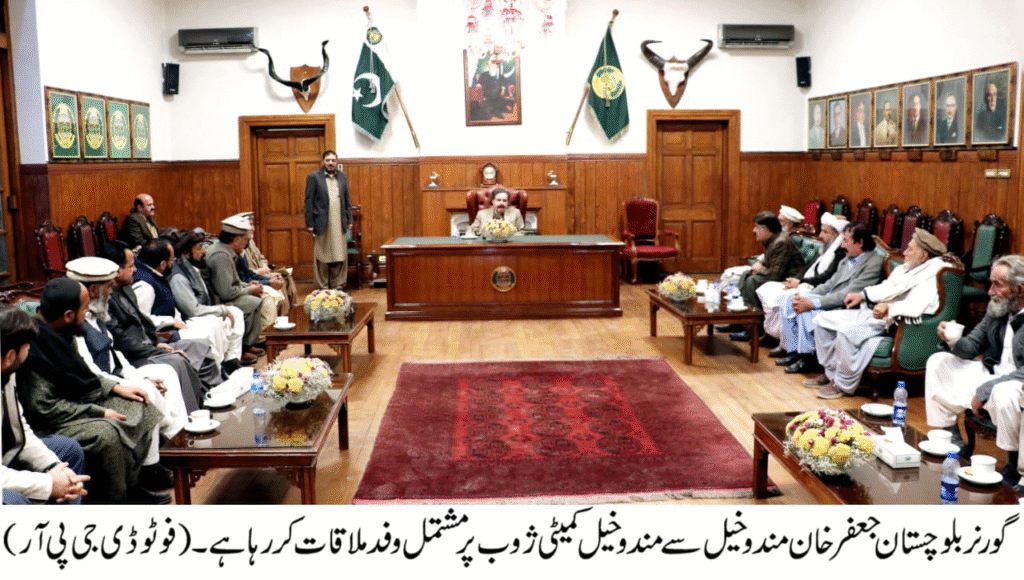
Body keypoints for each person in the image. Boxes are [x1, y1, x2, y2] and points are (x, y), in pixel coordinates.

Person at [17, 278, 168, 504]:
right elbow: (44, 408)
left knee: (142, 405)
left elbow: (82, 373)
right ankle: (117, 500)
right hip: (51, 421)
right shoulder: (34, 345)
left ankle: (134, 485)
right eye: (85, 308)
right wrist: (99, 412)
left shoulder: (61, 330)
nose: (87, 313)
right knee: (107, 434)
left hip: (79, 402)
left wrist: (116, 387)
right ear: (68, 315)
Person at [65, 256, 188, 491]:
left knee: (166, 373)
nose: (112, 291)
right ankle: (151, 467)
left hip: (118, 375)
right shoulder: (76, 324)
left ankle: (173, 446)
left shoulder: (97, 314)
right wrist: (130, 384)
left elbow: (115, 354)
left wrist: (139, 377)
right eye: (108, 286)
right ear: (93, 290)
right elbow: (91, 370)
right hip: (101, 389)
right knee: (147, 391)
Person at [806, 229, 948, 399]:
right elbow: (886, 287)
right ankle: (831, 373)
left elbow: (916, 305)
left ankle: (842, 384)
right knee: (821, 319)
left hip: (892, 321)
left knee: (846, 331)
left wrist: (889, 308)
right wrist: (862, 295)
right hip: (875, 312)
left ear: (924, 256)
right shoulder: (907, 268)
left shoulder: (932, 275)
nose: (904, 252)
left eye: (910, 249)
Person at [924, 254, 1024, 486]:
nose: (990, 291)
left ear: (1019, 289)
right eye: (991, 283)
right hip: (993, 374)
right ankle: (952, 440)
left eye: (997, 285)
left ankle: (1013, 465)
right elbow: (971, 347)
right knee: (938, 362)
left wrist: (986, 389)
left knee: (1003, 392)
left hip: (1016, 385)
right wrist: (952, 340)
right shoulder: (998, 308)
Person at [102, 240, 223, 409]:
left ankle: (213, 397)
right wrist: (158, 349)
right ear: (116, 270)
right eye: (131, 266)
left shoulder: (126, 288)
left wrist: (158, 342)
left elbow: (144, 324)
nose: (135, 270)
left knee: (201, 346)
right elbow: (122, 342)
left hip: (151, 345)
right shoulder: (106, 301)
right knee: (178, 361)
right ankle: (193, 413)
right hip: (136, 356)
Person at [2, 305, 90, 505]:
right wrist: (49, 484)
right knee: (12, 500)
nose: (29, 351)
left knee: (68, 450)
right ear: (10, 356)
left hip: (7, 457)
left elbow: (20, 428)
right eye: (27, 347)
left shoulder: (6, 370)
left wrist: (55, 469)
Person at [771, 223, 884, 374]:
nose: (842, 245)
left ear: (860, 243)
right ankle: (793, 350)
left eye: (846, 241)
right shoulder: (847, 259)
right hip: (830, 299)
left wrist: (812, 303)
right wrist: (805, 297)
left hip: (845, 306)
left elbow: (847, 293)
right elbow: (830, 284)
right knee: (791, 299)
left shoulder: (873, 262)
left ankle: (808, 359)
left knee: (806, 310)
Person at [133, 238, 246, 373]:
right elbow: (140, 320)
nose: (173, 263)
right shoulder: (145, 286)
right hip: (162, 334)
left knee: (214, 323)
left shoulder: (154, 274)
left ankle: (227, 363)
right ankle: (217, 372)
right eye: (171, 260)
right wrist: (171, 321)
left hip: (175, 324)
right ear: (162, 264)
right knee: (209, 333)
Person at [168, 231, 255, 366]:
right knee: (214, 322)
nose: (204, 251)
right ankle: (218, 367)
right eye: (199, 248)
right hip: (188, 321)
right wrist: (221, 310)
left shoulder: (193, 268)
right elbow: (193, 311)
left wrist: (222, 310)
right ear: (186, 253)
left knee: (236, 313)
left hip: (201, 314)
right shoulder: (179, 278)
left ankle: (232, 360)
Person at [759, 212, 849, 342]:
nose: (820, 236)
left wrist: (800, 282)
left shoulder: (839, 252)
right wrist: (795, 279)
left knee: (786, 297)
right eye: (821, 231)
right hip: (805, 282)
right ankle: (772, 333)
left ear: (836, 235)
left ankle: (785, 342)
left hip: (816, 286)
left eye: (825, 232)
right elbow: (807, 267)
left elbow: (826, 277)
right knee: (766, 288)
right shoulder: (825, 247)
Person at [729, 211, 804, 341]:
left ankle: (754, 330)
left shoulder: (781, 242)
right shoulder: (772, 239)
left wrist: (760, 269)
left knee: (752, 281)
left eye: (757, 227)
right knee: (746, 275)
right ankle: (740, 322)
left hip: (789, 281)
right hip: (778, 276)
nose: (754, 231)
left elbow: (775, 274)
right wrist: (760, 265)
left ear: (767, 229)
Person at [206, 216, 275, 353]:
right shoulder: (221, 256)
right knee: (253, 302)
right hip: (218, 301)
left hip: (226, 295)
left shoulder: (225, 251)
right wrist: (250, 290)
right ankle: (243, 348)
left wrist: (247, 285)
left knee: (256, 299)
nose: (246, 244)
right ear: (236, 239)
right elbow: (226, 293)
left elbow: (233, 282)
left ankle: (250, 344)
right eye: (245, 240)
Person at [304, 150, 354, 290]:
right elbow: (308, 202)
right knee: (322, 255)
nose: (330, 163)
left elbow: (347, 200)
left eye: (333, 160)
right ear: (323, 162)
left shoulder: (343, 176)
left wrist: (350, 219)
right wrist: (309, 223)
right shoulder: (313, 177)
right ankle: (323, 287)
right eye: (328, 160)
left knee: (339, 255)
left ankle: (338, 285)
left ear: (336, 162)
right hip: (322, 223)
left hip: (339, 222)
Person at [238, 212, 298, 308]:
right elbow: (244, 276)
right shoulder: (238, 247)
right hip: (254, 277)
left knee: (285, 276)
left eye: (253, 225)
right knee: (279, 279)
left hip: (262, 273)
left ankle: (293, 308)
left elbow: (261, 257)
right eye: (250, 225)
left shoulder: (251, 241)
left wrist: (264, 266)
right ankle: (282, 311)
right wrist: (259, 272)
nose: (253, 228)